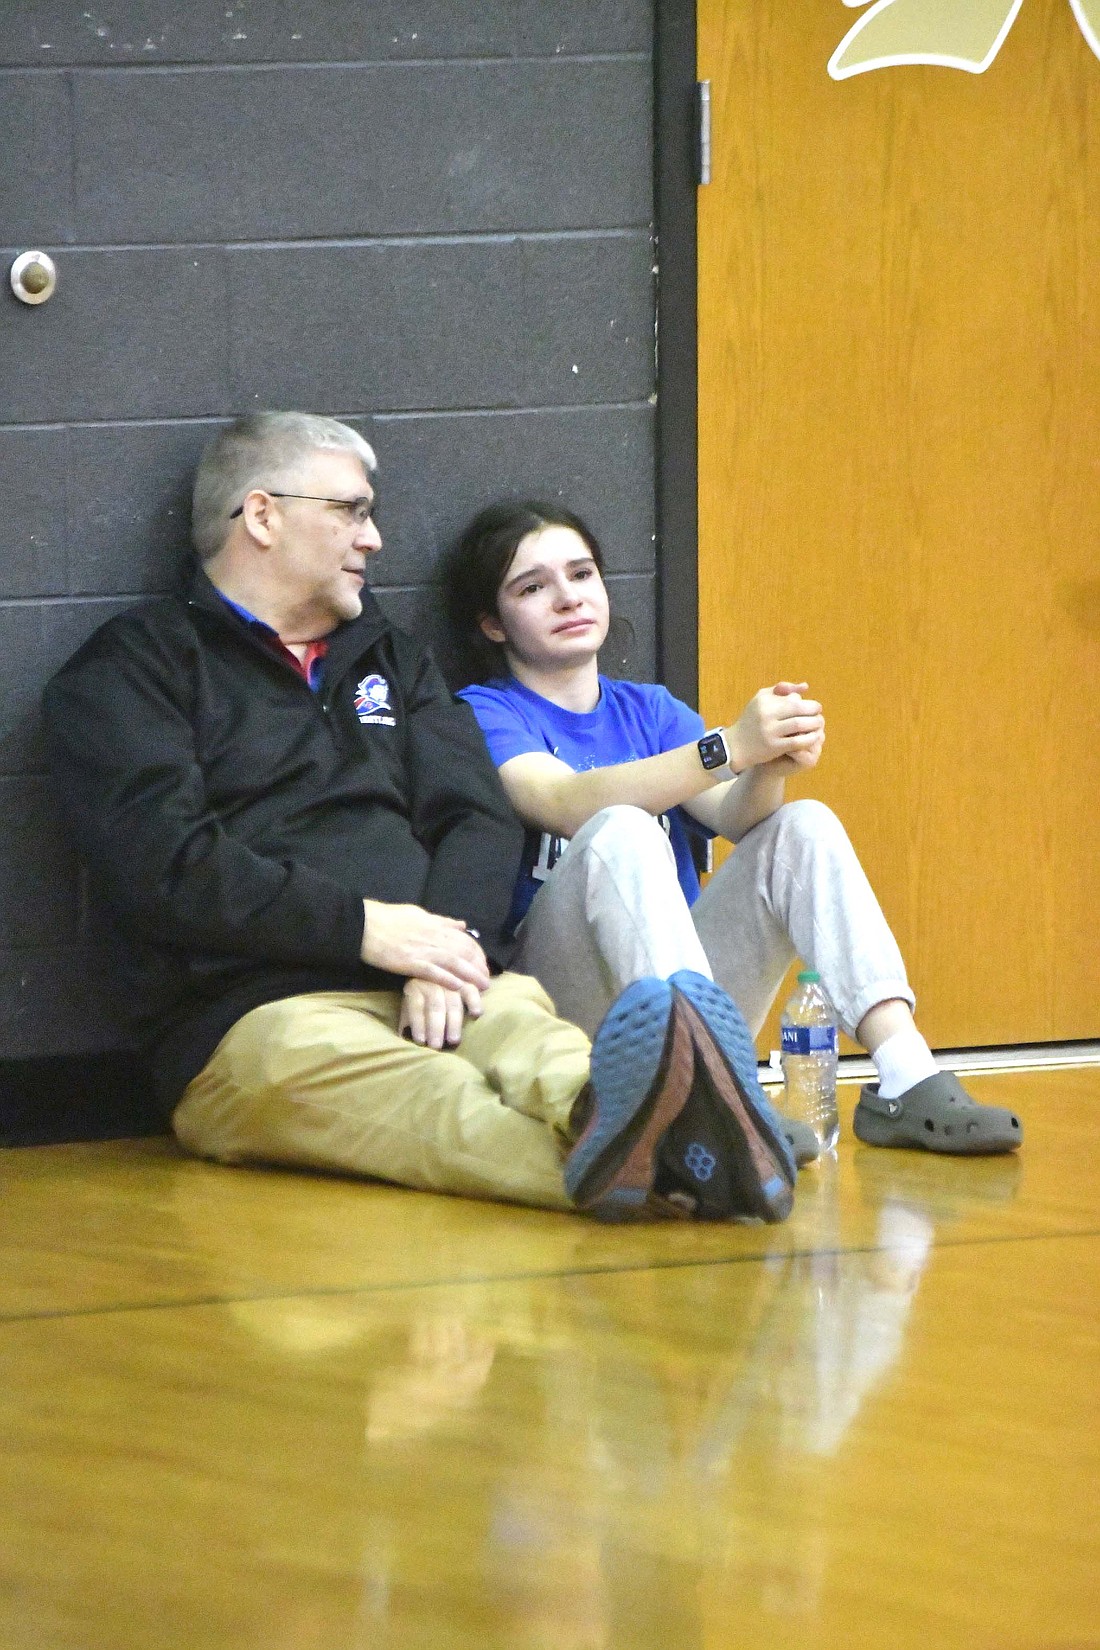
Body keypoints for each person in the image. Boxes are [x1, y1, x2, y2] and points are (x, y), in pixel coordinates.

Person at [41, 413, 801, 1224]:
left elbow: (476, 818)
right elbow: (166, 867)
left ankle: (655, 1120)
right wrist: (369, 932)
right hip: (257, 1020)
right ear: (262, 516)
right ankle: (683, 1165)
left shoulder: (392, 660)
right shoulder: (130, 668)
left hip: (446, 981)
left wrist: (443, 948)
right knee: (443, 1104)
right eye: (351, 511)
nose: (372, 539)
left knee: (544, 1046)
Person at [442, 500, 1022, 1157]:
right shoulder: (482, 713)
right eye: (533, 586)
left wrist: (767, 767)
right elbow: (565, 800)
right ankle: (721, 1102)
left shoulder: (650, 710)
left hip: (690, 1003)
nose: (567, 597)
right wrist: (727, 748)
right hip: (564, 1010)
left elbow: (736, 819)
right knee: (622, 829)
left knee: (804, 822)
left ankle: (904, 1074)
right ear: (492, 623)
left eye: (582, 574)